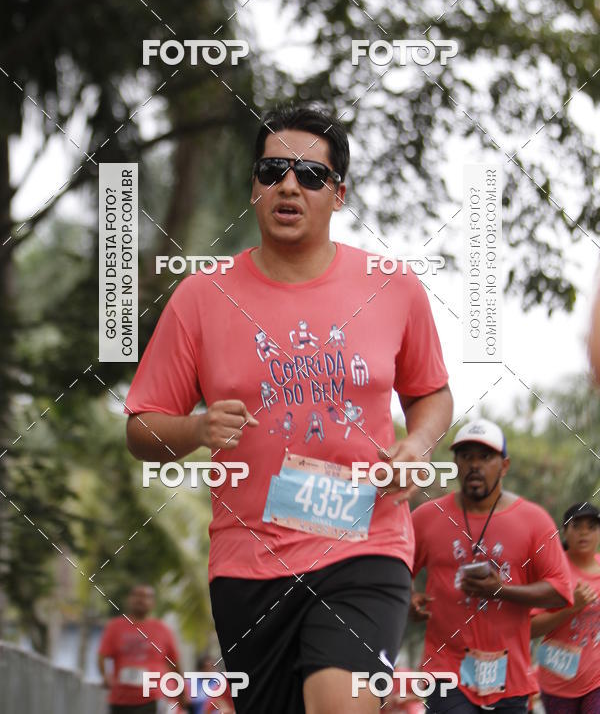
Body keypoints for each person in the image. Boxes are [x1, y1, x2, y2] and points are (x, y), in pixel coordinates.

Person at [125, 101, 453, 713]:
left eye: (311, 175)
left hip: (366, 543)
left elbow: (430, 392)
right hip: (249, 564)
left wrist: (417, 444)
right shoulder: (202, 296)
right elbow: (142, 428)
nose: (289, 185)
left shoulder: (392, 285)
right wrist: (196, 428)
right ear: (254, 186)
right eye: (273, 170)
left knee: (338, 700)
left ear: (339, 194)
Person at [410, 418, 574, 714]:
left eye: (485, 457)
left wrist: (502, 591)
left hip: (509, 675)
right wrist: (407, 597)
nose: (475, 465)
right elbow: (393, 570)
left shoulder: (534, 521)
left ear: (504, 466)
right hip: (447, 669)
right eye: (466, 456)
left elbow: (561, 591)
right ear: (456, 463)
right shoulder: (426, 518)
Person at [531, 502, 600, 713]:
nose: (584, 533)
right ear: (565, 531)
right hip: (557, 681)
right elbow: (531, 628)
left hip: (596, 680)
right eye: (577, 526)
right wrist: (572, 607)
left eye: (591, 527)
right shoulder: (552, 573)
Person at [98, 584, 186, 713]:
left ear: (153, 603)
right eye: (137, 595)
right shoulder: (115, 627)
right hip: (120, 699)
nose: (141, 600)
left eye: (146, 597)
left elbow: (174, 664)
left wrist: (182, 692)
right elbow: (102, 656)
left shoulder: (163, 630)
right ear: (129, 600)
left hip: (153, 698)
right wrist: (105, 676)